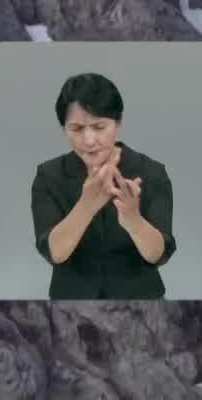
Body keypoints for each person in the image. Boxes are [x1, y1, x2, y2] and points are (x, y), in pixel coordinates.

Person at [29, 72, 177, 299]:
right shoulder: (49, 175)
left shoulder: (151, 172)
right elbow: (54, 252)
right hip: (72, 307)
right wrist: (86, 205)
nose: (88, 140)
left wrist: (132, 218)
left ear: (118, 123)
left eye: (99, 127)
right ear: (63, 128)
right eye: (76, 129)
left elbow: (158, 255)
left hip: (142, 303)